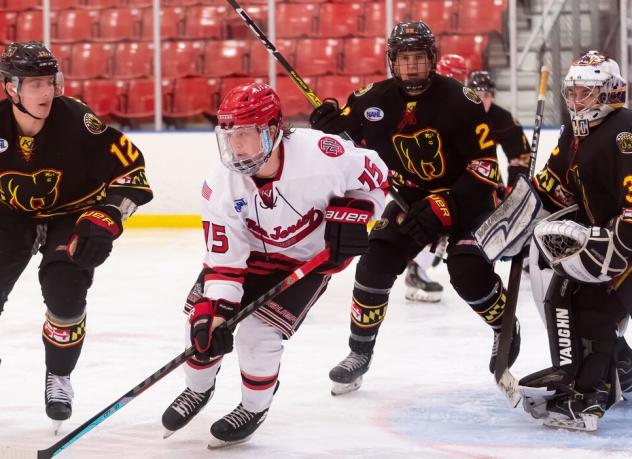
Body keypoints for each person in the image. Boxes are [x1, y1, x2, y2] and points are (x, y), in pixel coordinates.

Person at [161, 83, 388, 448]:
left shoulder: (323, 155)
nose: (236, 146)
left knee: (258, 337)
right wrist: (217, 312)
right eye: (230, 135)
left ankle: (253, 407)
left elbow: (376, 175)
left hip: (304, 261)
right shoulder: (221, 185)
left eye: (246, 135)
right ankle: (197, 389)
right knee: (199, 327)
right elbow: (225, 264)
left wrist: (359, 212)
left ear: (272, 130)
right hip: (248, 259)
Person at [309, 21, 521, 395]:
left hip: (464, 201)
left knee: (466, 271)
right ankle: (359, 353)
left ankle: (505, 325)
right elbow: (346, 141)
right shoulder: (372, 99)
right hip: (411, 202)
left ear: (432, 61)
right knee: (375, 262)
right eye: (404, 60)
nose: (412, 68)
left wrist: (448, 204)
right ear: (392, 61)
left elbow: (487, 166)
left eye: (419, 60)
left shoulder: (461, 99)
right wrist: (328, 126)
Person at [0, 41, 153, 429]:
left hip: (72, 213)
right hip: (11, 213)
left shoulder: (77, 121)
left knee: (65, 292)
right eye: (34, 84)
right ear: (10, 88)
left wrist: (108, 214)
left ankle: (60, 374)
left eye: (49, 82)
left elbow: (130, 172)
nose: (45, 92)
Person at [519, 51, 632, 430]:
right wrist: (519, 206)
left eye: (587, 92)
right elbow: (554, 187)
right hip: (604, 239)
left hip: (626, 246)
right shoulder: (575, 132)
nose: (576, 100)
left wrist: (621, 243)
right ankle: (623, 372)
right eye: (574, 92)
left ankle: (589, 398)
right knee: (568, 299)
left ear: (610, 92)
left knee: (595, 311)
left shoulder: (624, 131)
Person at [467, 70, 531, 192]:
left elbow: (521, 157)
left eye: (486, 95)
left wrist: (513, 188)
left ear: (493, 96)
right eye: (477, 95)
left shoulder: (504, 119)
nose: (482, 100)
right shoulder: (459, 116)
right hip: (461, 173)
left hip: (487, 169)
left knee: (500, 193)